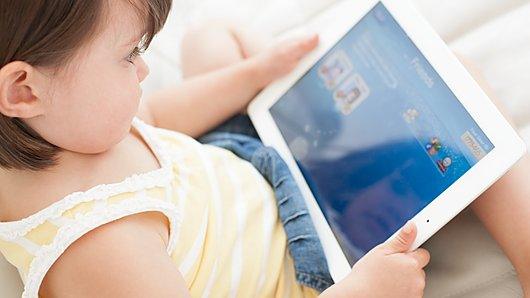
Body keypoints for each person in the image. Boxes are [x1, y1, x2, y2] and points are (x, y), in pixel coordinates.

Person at [0, 1, 526, 297]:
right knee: (466, 92)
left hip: (230, 168)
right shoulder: (103, 251)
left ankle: (292, 104)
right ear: (23, 90)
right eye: (128, 55)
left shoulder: (58, 130)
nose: (145, 70)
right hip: (296, 259)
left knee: (210, 38)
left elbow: (153, 120)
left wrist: (254, 75)